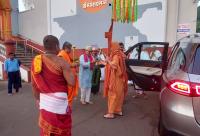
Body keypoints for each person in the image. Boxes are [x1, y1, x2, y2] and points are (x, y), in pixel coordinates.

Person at [31, 35, 75, 136]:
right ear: (56, 46)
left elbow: (34, 84)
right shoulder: (62, 62)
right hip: (60, 102)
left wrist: (37, 99)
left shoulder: (37, 61)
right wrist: (71, 69)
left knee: (47, 129)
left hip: (45, 100)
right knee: (62, 128)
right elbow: (71, 82)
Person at [103, 42, 128, 119]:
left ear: (114, 47)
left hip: (116, 79)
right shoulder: (121, 54)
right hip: (121, 79)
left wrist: (108, 60)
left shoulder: (116, 56)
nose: (110, 49)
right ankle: (118, 110)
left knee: (112, 94)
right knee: (119, 95)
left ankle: (111, 113)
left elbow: (114, 66)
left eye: (111, 47)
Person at [58, 41, 79, 106]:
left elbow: (70, 61)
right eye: (69, 48)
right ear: (65, 47)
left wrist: (75, 62)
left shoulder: (66, 54)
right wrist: (74, 64)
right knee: (68, 93)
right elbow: (65, 65)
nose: (70, 50)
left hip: (69, 77)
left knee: (69, 93)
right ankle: (67, 107)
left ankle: (68, 106)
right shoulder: (61, 54)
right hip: (66, 78)